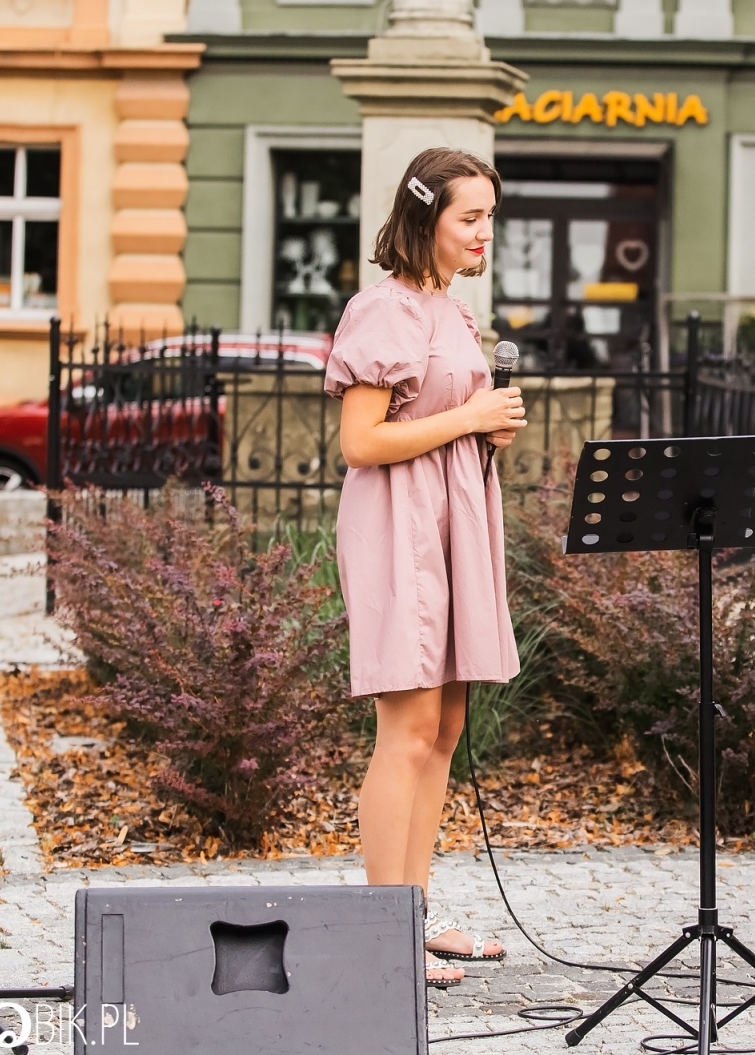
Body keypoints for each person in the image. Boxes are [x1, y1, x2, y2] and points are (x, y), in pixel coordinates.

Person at [325, 147, 527, 987]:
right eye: (469, 217)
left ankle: (412, 906)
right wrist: (468, 416)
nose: (486, 232)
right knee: (404, 733)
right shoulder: (383, 310)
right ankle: (384, 931)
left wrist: (489, 426)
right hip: (399, 526)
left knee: (443, 731)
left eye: (489, 216)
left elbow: (448, 413)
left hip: (456, 519)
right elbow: (360, 442)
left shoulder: (452, 309)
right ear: (425, 219)